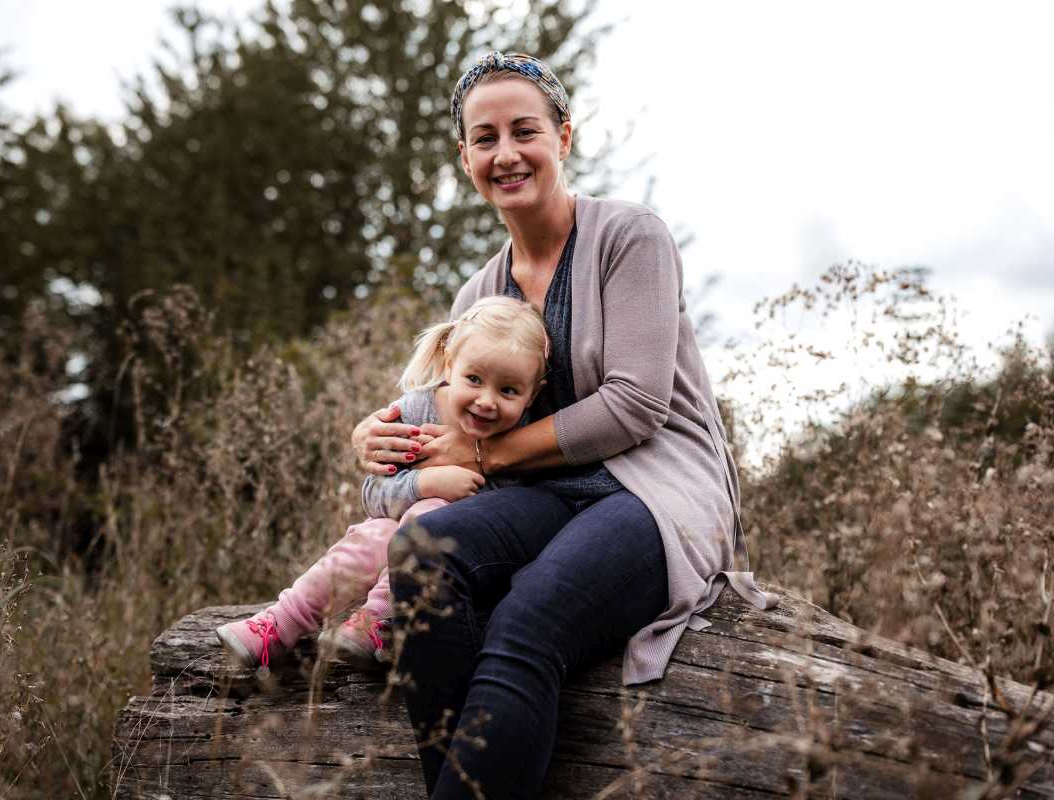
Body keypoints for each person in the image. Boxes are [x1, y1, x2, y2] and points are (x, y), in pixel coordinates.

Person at [351, 52, 778, 798]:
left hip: (655, 488)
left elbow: (635, 405)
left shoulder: (630, 237)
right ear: (465, 158)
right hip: (548, 490)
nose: (506, 154)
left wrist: (484, 448)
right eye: (485, 139)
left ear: (564, 138)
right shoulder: (477, 290)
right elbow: (444, 410)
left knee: (528, 619)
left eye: (525, 131)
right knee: (423, 551)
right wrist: (375, 436)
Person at [216, 295, 551, 675]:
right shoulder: (412, 412)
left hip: (463, 571)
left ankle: (378, 623)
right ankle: (279, 625)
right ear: (449, 364)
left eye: (508, 391)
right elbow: (372, 495)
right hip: (393, 538)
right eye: (473, 379)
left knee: (428, 518)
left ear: (533, 393)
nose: (486, 401)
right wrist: (424, 482)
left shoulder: (527, 439)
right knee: (371, 536)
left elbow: (519, 513)